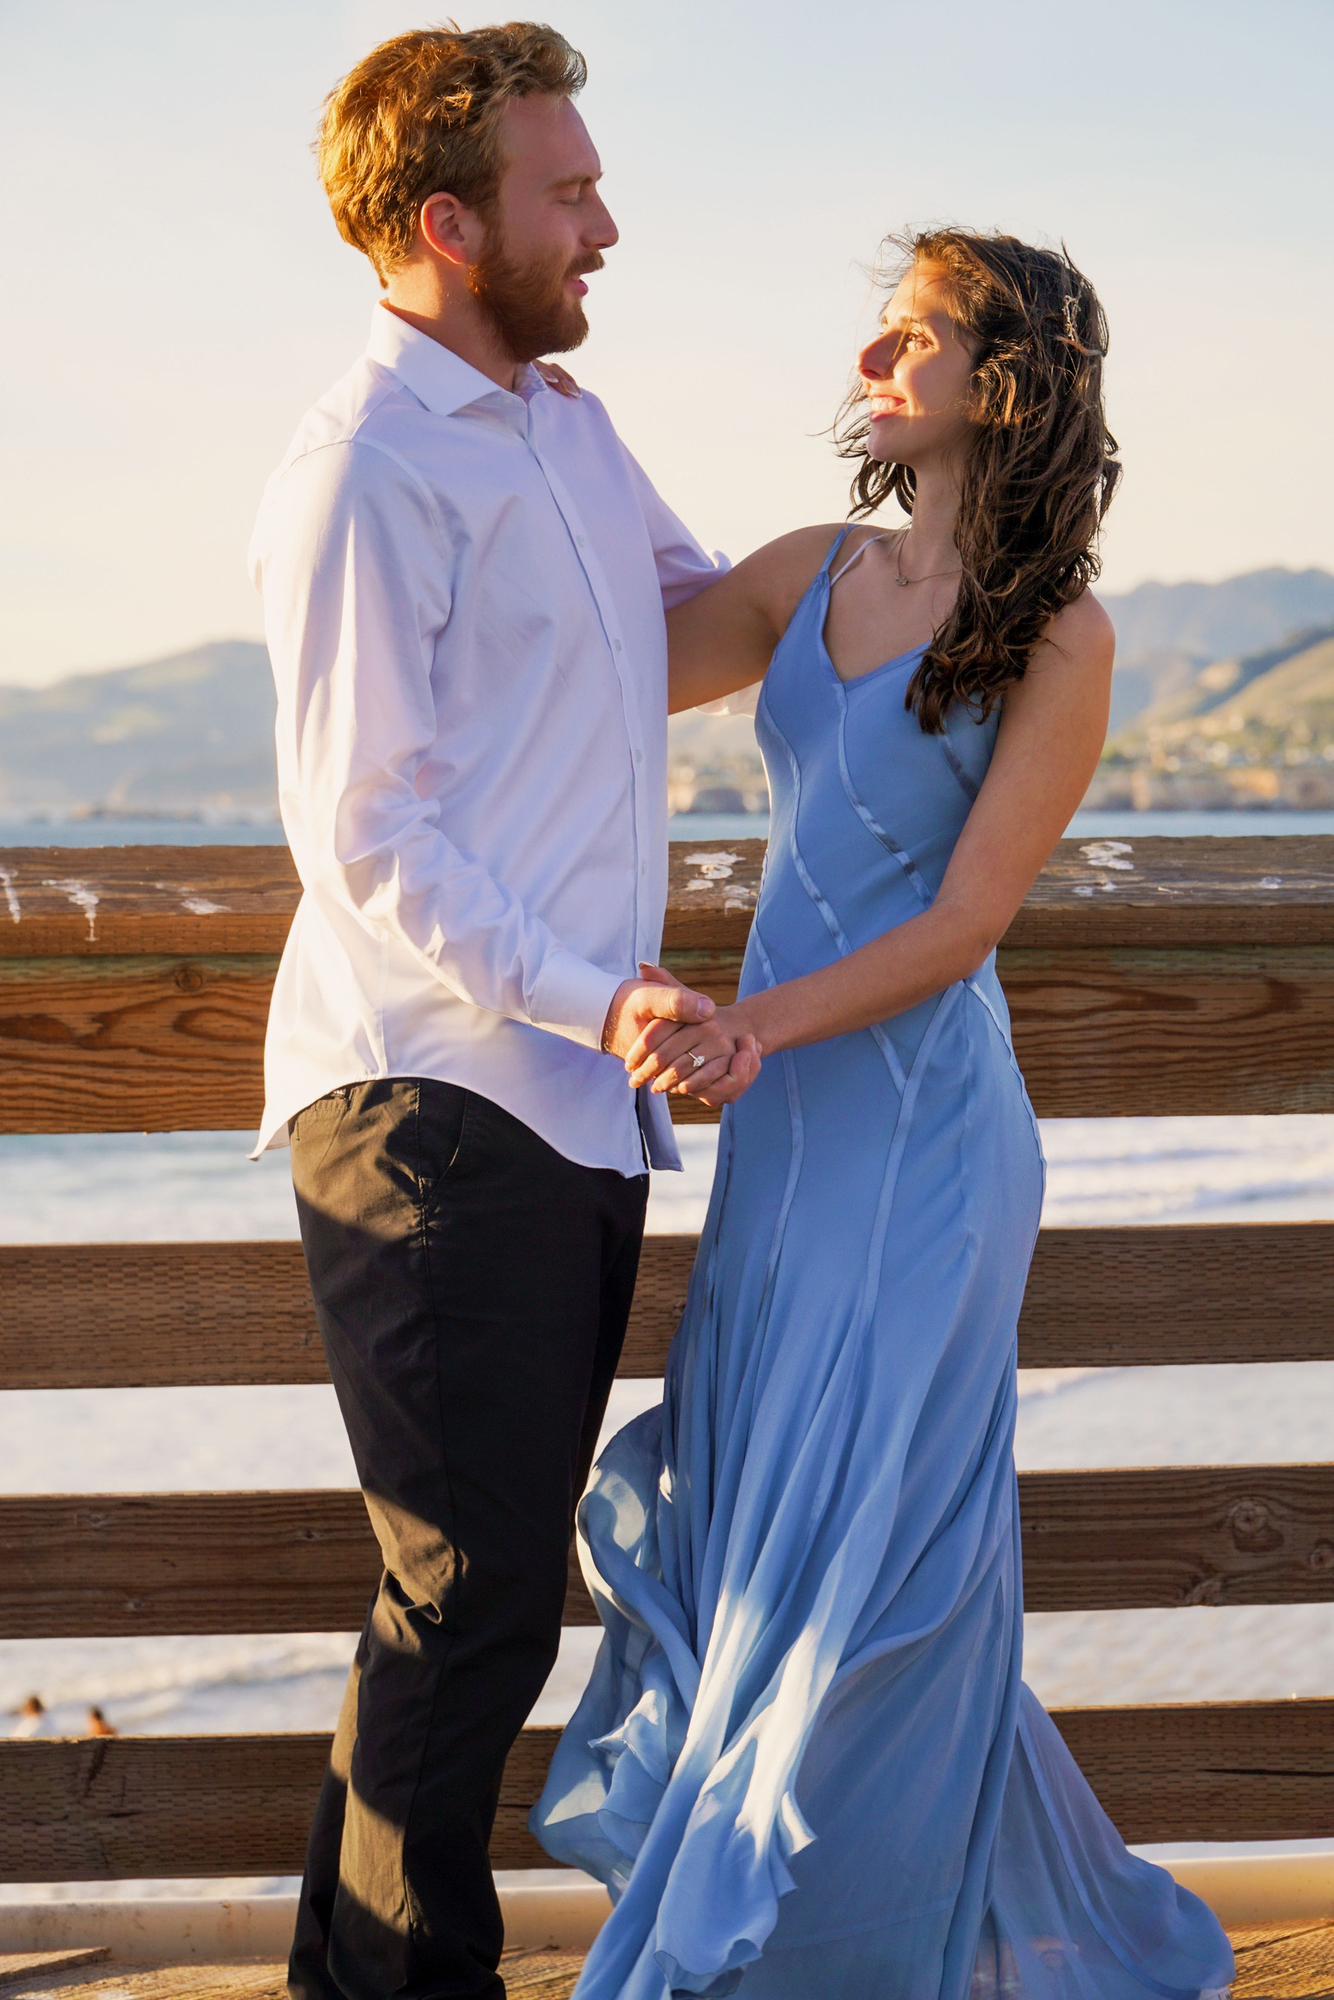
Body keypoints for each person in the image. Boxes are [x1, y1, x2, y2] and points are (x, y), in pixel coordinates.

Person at [532, 230, 1237, 1999]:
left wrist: (744, 1027)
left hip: (919, 1139)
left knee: (879, 1569)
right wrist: (538, 433)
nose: (871, 354)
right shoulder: (804, 571)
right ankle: (828, 1941)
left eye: (913, 331)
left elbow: (962, 927)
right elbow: (590, 661)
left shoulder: (1060, 634)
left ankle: (831, 1954)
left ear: (1004, 380)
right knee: (765, 1525)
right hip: (782, 1143)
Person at [245, 25, 760, 2000]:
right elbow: (364, 836)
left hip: (564, 1099)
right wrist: (599, 989)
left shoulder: (567, 428)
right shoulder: (362, 470)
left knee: (480, 1603)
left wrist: (931, 518)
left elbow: (690, 632)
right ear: (450, 225)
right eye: (571, 193)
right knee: (466, 1597)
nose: (606, 228)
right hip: (437, 1095)